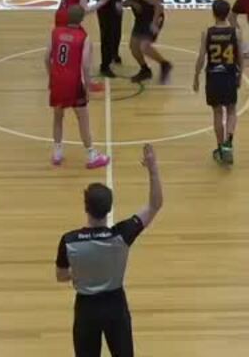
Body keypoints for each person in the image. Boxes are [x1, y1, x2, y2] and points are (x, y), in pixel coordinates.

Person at [56, 144, 161, 357]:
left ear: (86, 208)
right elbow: (154, 205)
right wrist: (152, 169)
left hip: (86, 309)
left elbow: (61, 276)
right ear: (109, 209)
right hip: (115, 306)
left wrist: (80, 273)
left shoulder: (69, 241)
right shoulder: (122, 235)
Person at [47, 5, 111, 169]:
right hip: (73, 83)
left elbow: (46, 57)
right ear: (82, 18)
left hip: (57, 81)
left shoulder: (55, 32)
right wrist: (88, 85)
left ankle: (57, 153)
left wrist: (51, 76)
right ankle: (91, 155)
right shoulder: (84, 37)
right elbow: (85, 65)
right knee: (83, 119)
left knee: (57, 117)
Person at [193, 0, 243, 165]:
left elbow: (201, 57)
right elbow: (240, 57)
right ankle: (229, 142)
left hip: (213, 76)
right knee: (231, 110)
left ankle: (221, 147)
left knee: (217, 113)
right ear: (228, 13)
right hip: (229, 75)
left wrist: (196, 76)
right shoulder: (236, 33)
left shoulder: (207, 33)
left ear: (213, 13)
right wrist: (240, 75)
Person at [125, 0, 171, 84]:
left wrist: (154, 23)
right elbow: (133, 1)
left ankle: (165, 64)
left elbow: (158, 6)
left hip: (153, 19)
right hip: (141, 19)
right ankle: (145, 70)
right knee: (133, 47)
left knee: (144, 47)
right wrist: (127, 4)